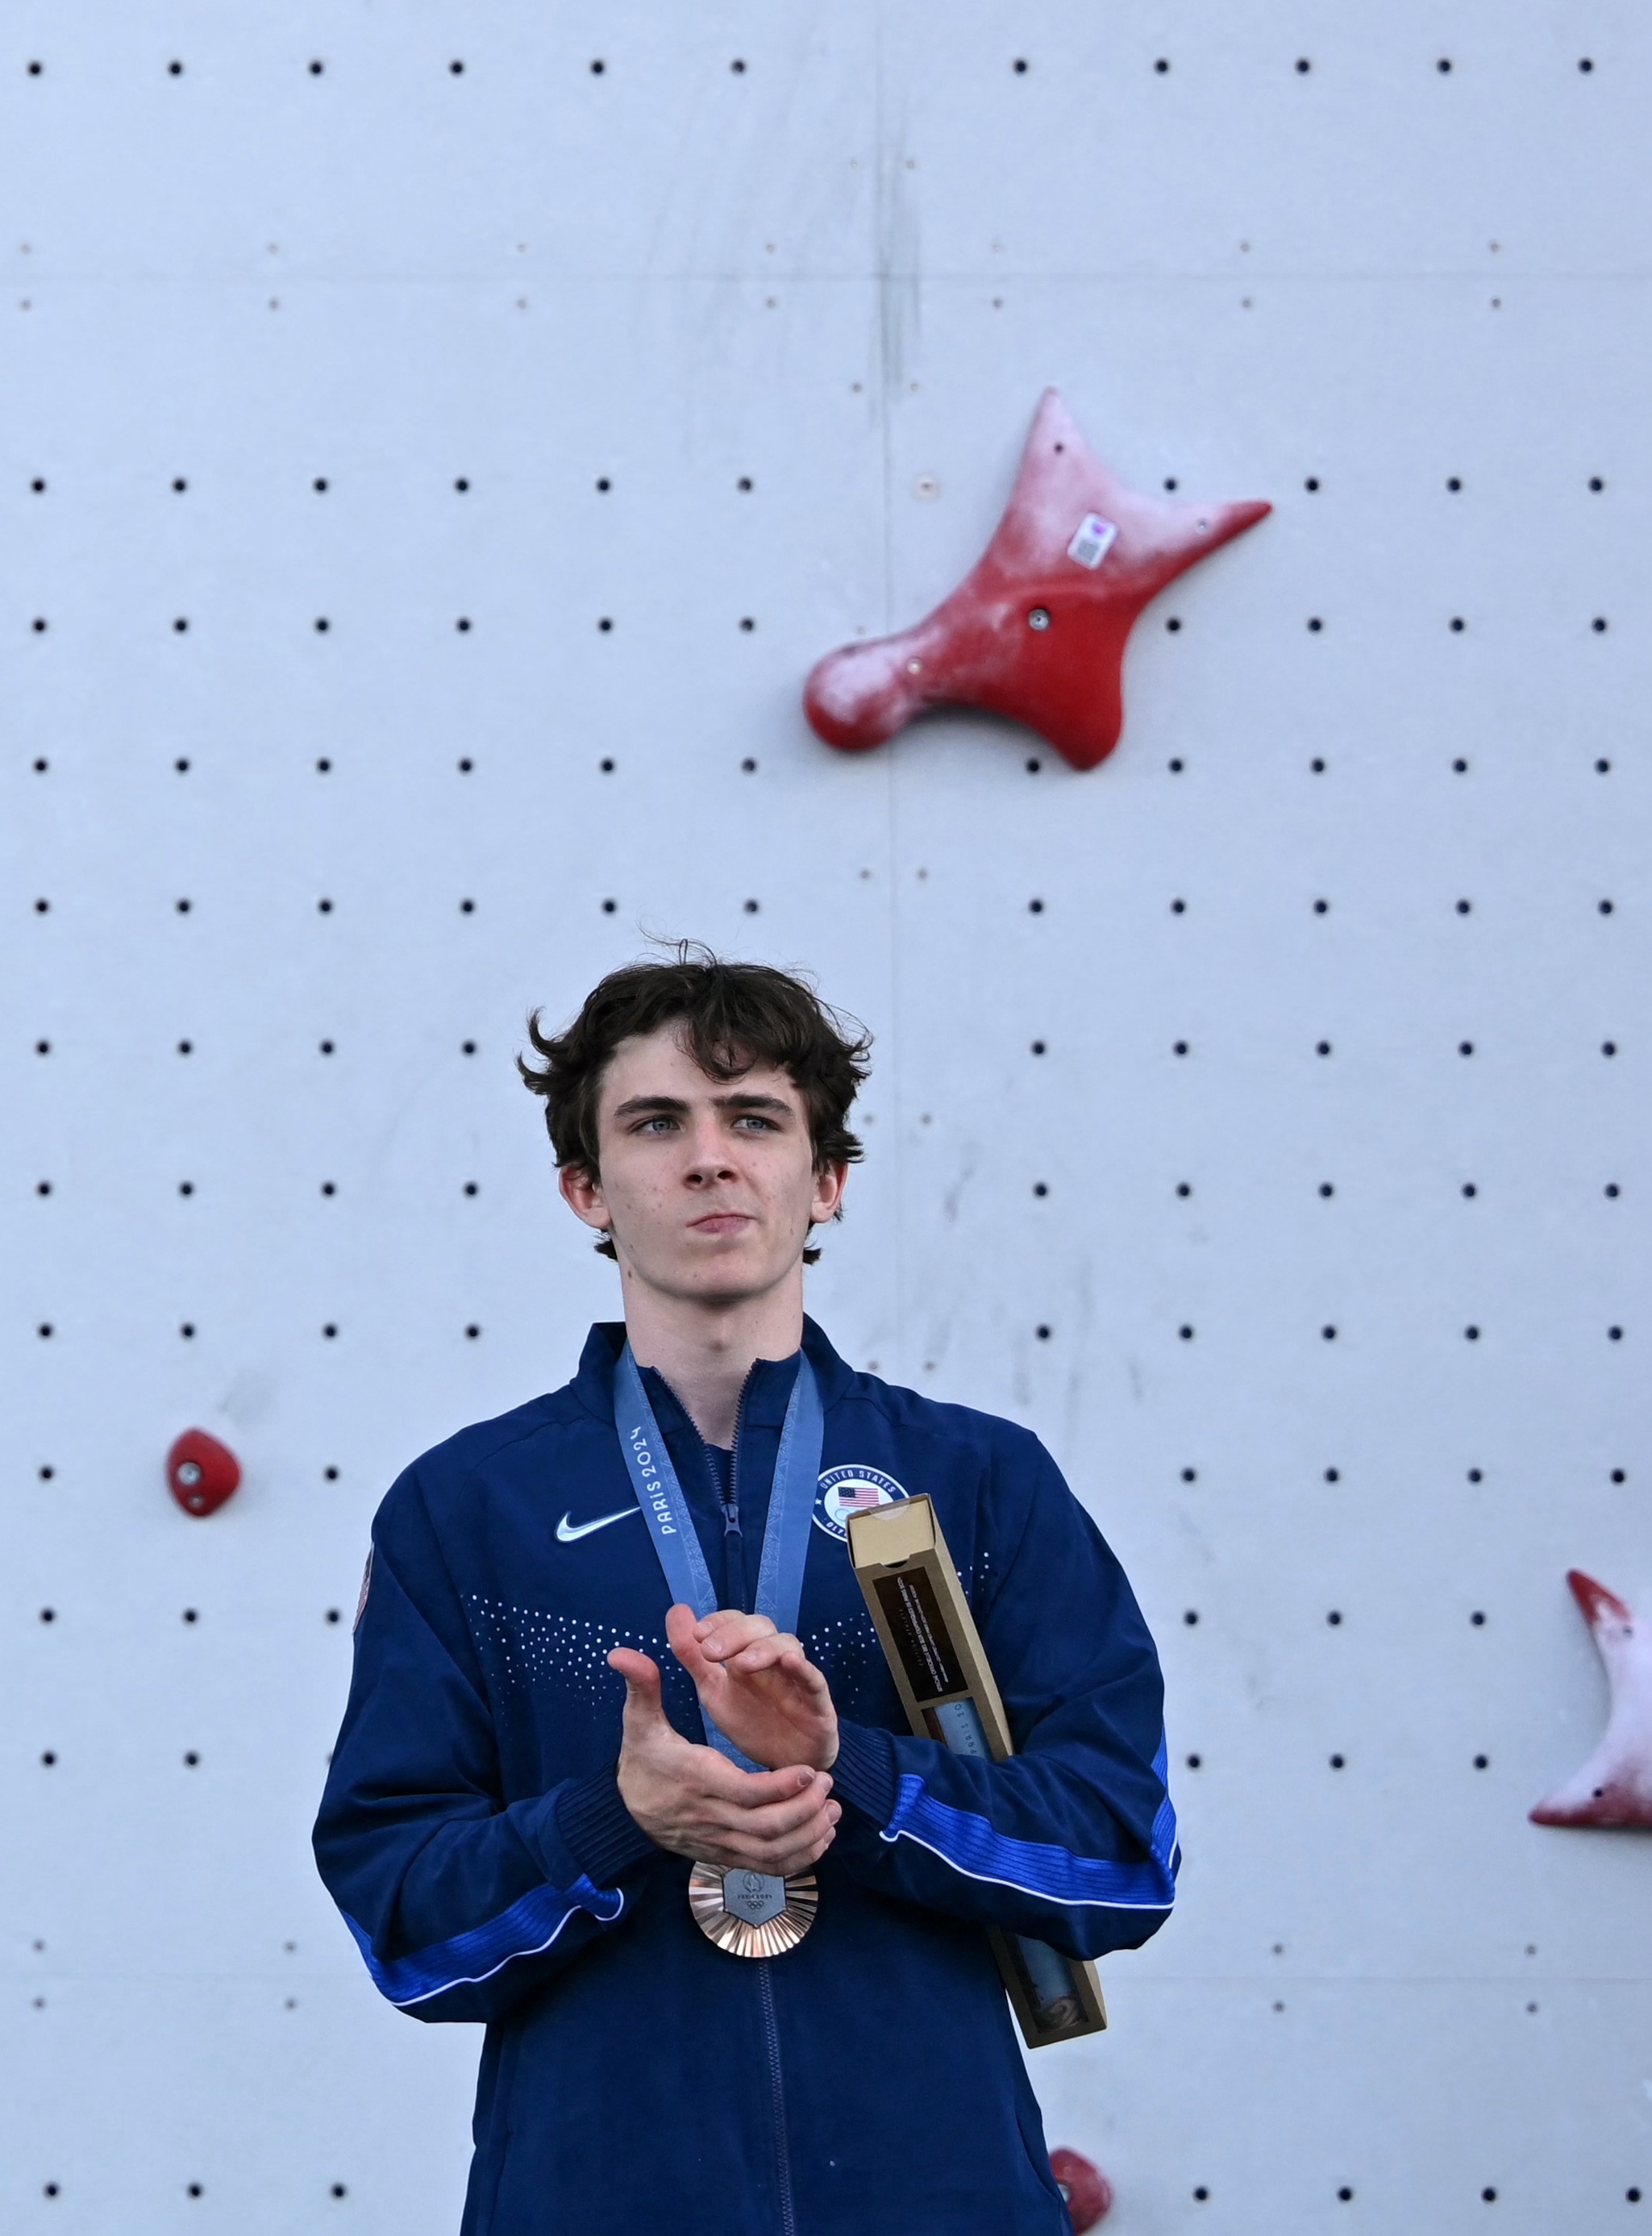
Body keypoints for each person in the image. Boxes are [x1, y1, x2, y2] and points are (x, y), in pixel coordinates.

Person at [314, 953, 1176, 2234]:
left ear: (823, 1180)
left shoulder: (978, 1481)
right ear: (584, 1188)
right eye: (656, 1123)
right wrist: (615, 1820)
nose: (708, 1158)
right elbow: (405, 1930)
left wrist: (856, 1774)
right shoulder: (465, 1508)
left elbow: (1120, 1860)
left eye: (753, 1119)